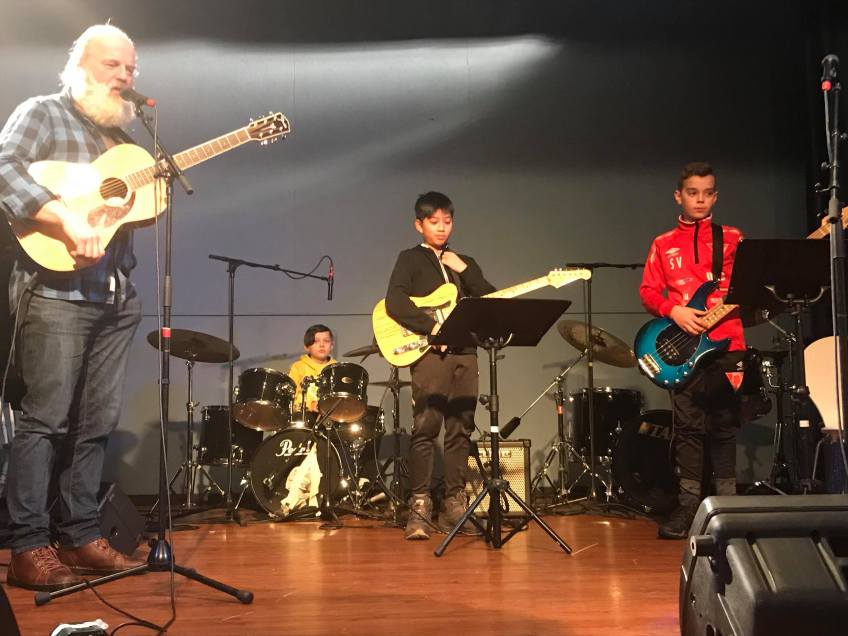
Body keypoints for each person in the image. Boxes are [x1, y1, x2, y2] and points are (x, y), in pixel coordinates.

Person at [0, 24, 145, 590]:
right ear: (80, 65)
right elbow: (4, 167)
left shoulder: (122, 144)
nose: (124, 76)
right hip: (55, 291)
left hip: (114, 294)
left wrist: (146, 195)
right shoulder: (43, 113)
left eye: (131, 68)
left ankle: (82, 535)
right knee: (45, 421)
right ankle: (27, 546)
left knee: (96, 424)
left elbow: (127, 210)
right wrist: (63, 217)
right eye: (113, 65)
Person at [639, 162, 745, 539]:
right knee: (687, 429)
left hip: (728, 343)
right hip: (684, 349)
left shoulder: (732, 238)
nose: (700, 200)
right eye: (692, 193)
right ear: (678, 196)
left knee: (725, 426)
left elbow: (752, 283)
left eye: (707, 193)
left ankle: (728, 507)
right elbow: (648, 291)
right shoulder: (663, 243)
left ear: (715, 196)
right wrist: (675, 311)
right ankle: (688, 507)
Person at [385, 191, 495, 540]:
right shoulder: (410, 259)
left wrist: (466, 270)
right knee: (427, 425)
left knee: (461, 428)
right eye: (434, 222)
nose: (442, 227)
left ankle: (454, 504)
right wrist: (431, 327)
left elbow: (491, 301)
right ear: (419, 225)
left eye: (447, 221)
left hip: (466, 352)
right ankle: (419, 505)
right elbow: (394, 301)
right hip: (432, 353)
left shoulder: (464, 262)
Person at [287, 324, 337, 416]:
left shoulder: (336, 368)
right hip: (304, 417)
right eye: (316, 341)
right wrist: (310, 405)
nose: (322, 345)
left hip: (332, 417)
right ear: (307, 347)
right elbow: (290, 398)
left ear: (332, 346)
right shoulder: (298, 367)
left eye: (326, 341)